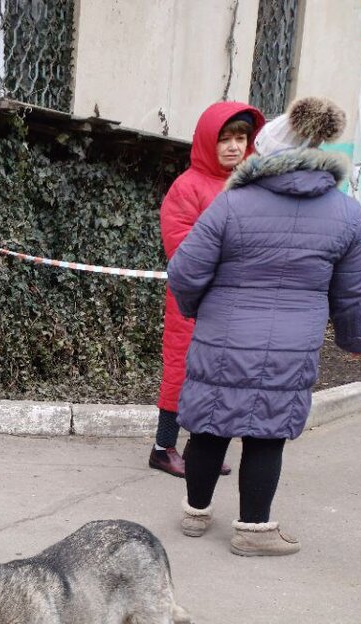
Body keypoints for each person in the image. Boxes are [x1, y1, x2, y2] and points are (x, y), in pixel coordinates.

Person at [167, 96, 361, 556]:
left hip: (223, 335)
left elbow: (184, 271)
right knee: (266, 433)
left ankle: (196, 514)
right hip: (291, 345)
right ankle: (252, 531)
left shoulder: (231, 204)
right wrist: (356, 340)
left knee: (209, 426)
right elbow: (354, 292)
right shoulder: (346, 214)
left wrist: (199, 308)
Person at [149, 101, 265, 477]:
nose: (233, 146)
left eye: (241, 138)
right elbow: (181, 249)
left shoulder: (253, 185)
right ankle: (162, 448)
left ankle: (202, 452)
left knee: (221, 376)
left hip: (237, 303)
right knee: (182, 372)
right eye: (225, 139)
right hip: (193, 302)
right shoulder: (188, 187)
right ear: (207, 142)